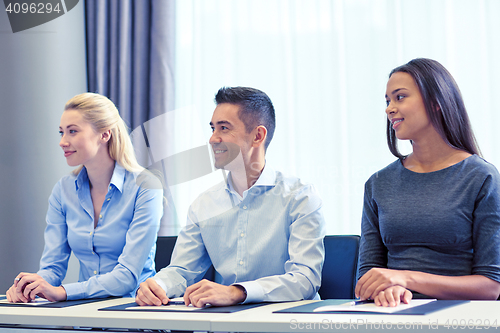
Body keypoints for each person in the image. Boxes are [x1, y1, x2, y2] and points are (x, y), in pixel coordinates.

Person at [135, 86, 325, 307]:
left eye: (224, 128)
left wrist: (238, 292)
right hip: (225, 324)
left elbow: (305, 279)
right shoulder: (202, 205)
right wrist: (158, 285)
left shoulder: (300, 197)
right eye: (213, 128)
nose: (213, 139)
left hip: (286, 324)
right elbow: (182, 270)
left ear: (258, 136)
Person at [355, 58, 500, 307]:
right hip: (392, 316)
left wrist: (406, 279)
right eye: (388, 100)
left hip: (459, 318)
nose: (389, 109)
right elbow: (367, 277)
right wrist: (384, 291)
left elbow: (491, 286)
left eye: (400, 97)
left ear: (435, 103)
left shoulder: (482, 178)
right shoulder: (378, 183)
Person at [6, 93, 163, 302]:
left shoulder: (146, 187)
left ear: (104, 135)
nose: (63, 142)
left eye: (72, 131)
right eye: (61, 132)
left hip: (134, 311)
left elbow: (126, 277)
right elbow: (52, 267)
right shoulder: (63, 190)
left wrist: (63, 292)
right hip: (83, 314)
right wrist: (31, 286)